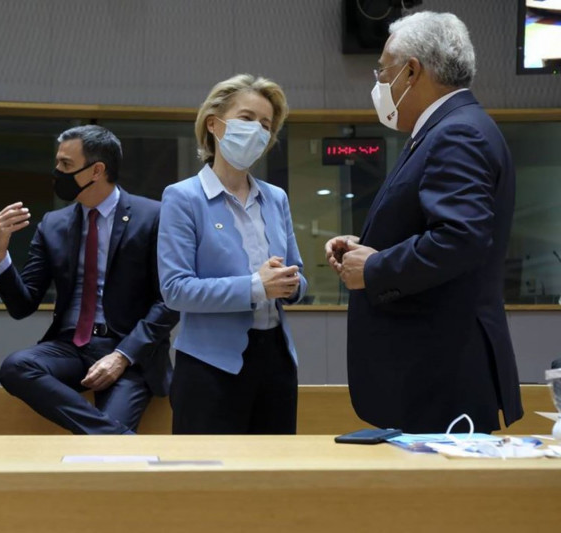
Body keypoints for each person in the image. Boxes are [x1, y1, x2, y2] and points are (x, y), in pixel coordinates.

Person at [324, 12, 523, 434]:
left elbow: (459, 238)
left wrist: (375, 268)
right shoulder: (447, 129)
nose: (378, 81)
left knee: (442, 500)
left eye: (383, 69)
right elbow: (442, 229)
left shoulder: (456, 134)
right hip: (435, 371)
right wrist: (367, 247)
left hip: (440, 373)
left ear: (411, 71)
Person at [0, 125, 178, 434]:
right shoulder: (54, 224)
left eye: (65, 164)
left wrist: (122, 356)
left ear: (97, 170)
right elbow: (22, 305)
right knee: (15, 367)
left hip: (129, 352)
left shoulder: (154, 216)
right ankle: (117, 439)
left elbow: (170, 301)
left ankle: (111, 437)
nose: (57, 172)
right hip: (69, 347)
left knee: (107, 446)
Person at [157, 74, 308, 434]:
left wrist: (291, 284)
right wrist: (257, 286)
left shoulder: (276, 198)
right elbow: (176, 289)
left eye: (266, 124)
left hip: (276, 359)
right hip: (210, 364)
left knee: (273, 477)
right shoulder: (183, 198)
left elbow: (298, 275)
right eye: (246, 118)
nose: (256, 130)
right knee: (209, 481)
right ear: (214, 123)